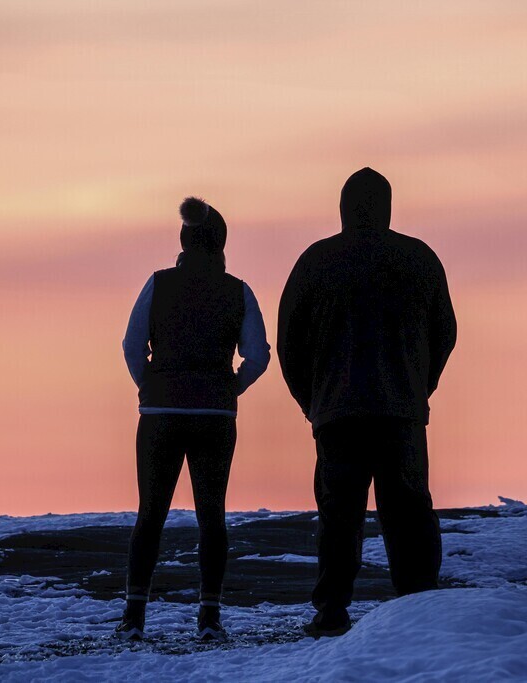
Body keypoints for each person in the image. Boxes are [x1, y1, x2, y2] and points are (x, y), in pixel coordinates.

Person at [277, 167, 457, 637]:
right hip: (400, 412)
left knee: (339, 517)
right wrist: (419, 387)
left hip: (337, 413)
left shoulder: (316, 262)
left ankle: (332, 610)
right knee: (410, 512)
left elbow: (288, 343)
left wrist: (313, 402)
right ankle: (418, 607)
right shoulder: (419, 259)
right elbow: (445, 334)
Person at [119, 197, 270, 642]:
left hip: (160, 412)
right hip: (215, 414)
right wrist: (232, 387)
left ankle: (134, 616)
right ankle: (208, 617)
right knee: (212, 515)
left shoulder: (158, 284)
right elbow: (258, 356)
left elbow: (131, 345)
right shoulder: (238, 290)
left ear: (183, 241)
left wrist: (151, 385)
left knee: (150, 514)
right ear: (222, 244)